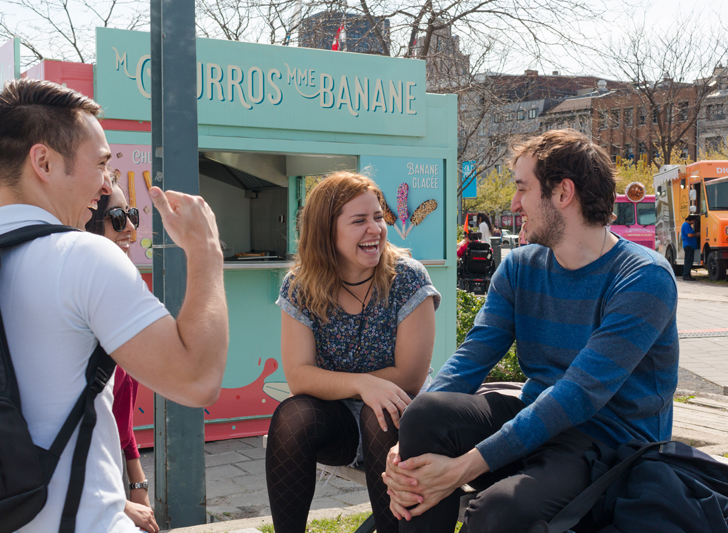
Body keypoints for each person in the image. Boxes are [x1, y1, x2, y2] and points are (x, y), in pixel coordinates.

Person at [382, 129, 679, 532]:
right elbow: (473, 356)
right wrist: (405, 450)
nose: (513, 203)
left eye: (523, 189)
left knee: (496, 512)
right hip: (535, 423)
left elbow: (577, 396)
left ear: (563, 193)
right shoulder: (521, 266)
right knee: (426, 414)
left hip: (610, 447)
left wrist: (463, 467)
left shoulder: (643, 279)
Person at [0, 78, 228, 532]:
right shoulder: (81, 256)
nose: (106, 185)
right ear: (43, 161)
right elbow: (196, 381)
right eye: (101, 163)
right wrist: (206, 253)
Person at [265, 171, 440, 533]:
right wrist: (361, 384)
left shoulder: (408, 278)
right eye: (359, 220)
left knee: (380, 414)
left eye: (378, 217)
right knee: (293, 416)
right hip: (339, 419)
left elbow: (409, 376)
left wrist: (369, 390)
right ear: (326, 231)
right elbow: (299, 376)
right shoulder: (301, 285)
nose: (375, 228)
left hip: (402, 416)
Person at [85, 176, 158, 533]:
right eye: (117, 217)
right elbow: (197, 380)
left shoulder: (118, 294)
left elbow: (121, 424)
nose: (130, 227)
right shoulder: (80, 308)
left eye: (130, 214)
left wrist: (137, 485)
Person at [681, 214, 699, 281]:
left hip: (689, 245)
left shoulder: (687, 225)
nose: (694, 222)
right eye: (694, 220)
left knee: (689, 261)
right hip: (689, 245)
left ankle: (687, 274)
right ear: (691, 219)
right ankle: (686, 275)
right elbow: (690, 235)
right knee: (688, 261)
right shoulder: (686, 225)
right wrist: (696, 234)